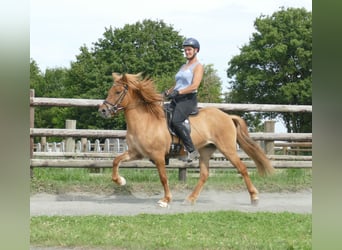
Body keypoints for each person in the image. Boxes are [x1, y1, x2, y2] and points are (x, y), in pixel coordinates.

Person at [165, 37, 204, 162]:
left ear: (196, 50)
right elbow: (178, 83)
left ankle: (191, 150)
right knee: (163, 115)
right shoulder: (184, 66)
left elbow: (194, 86)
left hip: (188, 99)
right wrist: (168, 91)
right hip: (177, 98)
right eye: (185, 50)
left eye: (189, 50)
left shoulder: (198, 66)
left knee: (176, 121)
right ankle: (169, 149)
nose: (187, 52)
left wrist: (178, 92)